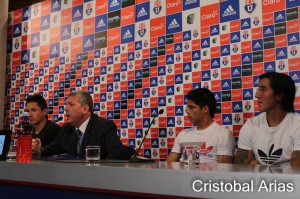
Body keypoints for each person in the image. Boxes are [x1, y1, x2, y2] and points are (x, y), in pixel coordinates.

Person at [32, 90, 129, 160]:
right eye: (66, 104)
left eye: (71, 104)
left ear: (85, 109)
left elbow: (116, 155)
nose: (65, 108)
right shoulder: (66, 128)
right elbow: (54, 148)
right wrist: (39, 149)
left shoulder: (103, 126)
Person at [235, 72, 300, 166]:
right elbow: (240, 167)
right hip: (258, 181)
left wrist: (258, 168)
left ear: (279, 96)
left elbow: (297, 171)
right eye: (258, 89)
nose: (257, 95)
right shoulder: (251, 124)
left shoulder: (297, 125)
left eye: (263, 89)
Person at [166, 88, 235, 163]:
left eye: (191, 107)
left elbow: (224, 171)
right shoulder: (183, 134)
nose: (187, 111)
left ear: (205, 109)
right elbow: (168, 166)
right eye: (187, 107)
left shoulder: (223, 135)